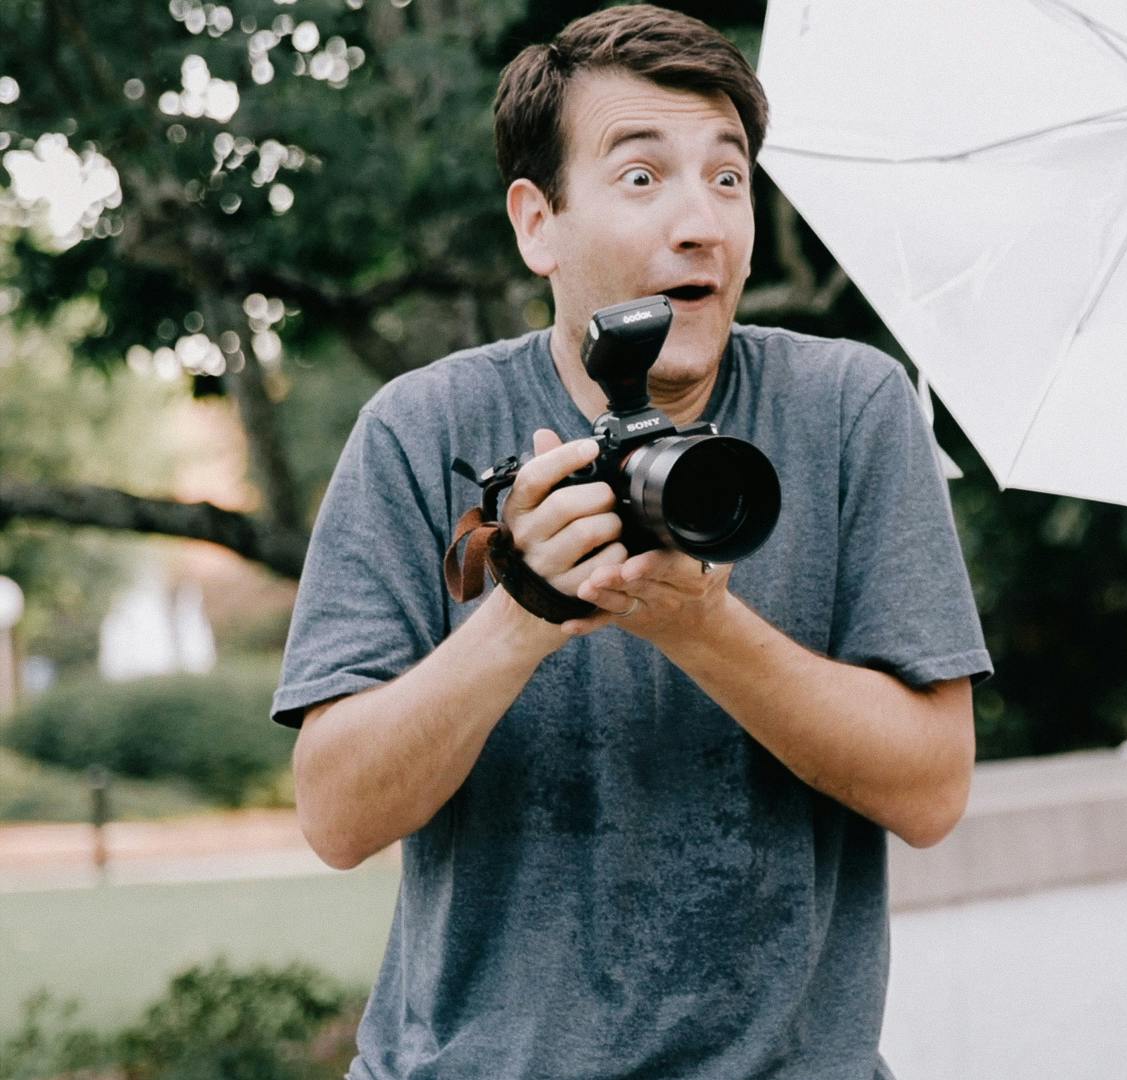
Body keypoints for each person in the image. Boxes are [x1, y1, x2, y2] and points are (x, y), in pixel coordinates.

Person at [270, 6, 991, 1078]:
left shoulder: (851, 409)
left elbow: (931, 790)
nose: (701, 221)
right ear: (537, 223)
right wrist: (521, 615)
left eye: (729, 177)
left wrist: (703, 627)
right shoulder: (422, 430)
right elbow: (335, 815)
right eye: (643, 177)